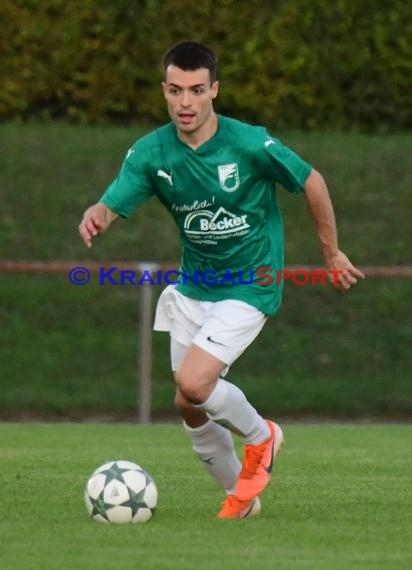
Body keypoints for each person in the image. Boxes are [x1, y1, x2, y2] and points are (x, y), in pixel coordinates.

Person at [79, 41, 364, 519]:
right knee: (188, 403)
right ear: (165, 91)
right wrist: (99, 214)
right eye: (175, 90)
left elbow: (311, 181)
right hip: (194, 286)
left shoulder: (249, 144)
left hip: (251, 282)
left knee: (194, 381)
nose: (184, 102)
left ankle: (262, 436)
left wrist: (331, 252)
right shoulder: (152, 153)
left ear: (214, 90)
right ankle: (242, 498)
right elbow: (112, 201)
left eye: (195, 90)